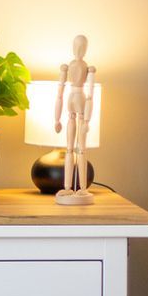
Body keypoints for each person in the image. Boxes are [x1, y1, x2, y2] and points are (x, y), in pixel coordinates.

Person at [54, 34, 95, 205]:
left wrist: (86, 122)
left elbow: (91, 95)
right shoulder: (67, 67)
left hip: (80, 100)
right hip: (72, 100)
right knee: (69, 148)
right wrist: (57, 119)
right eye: (77, 46)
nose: (79, 50)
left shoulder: (89, 68)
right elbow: (59, 92)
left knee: (81, 149)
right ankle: (67, 186)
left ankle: (83, 187)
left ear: (85, 49)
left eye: (82, 46)